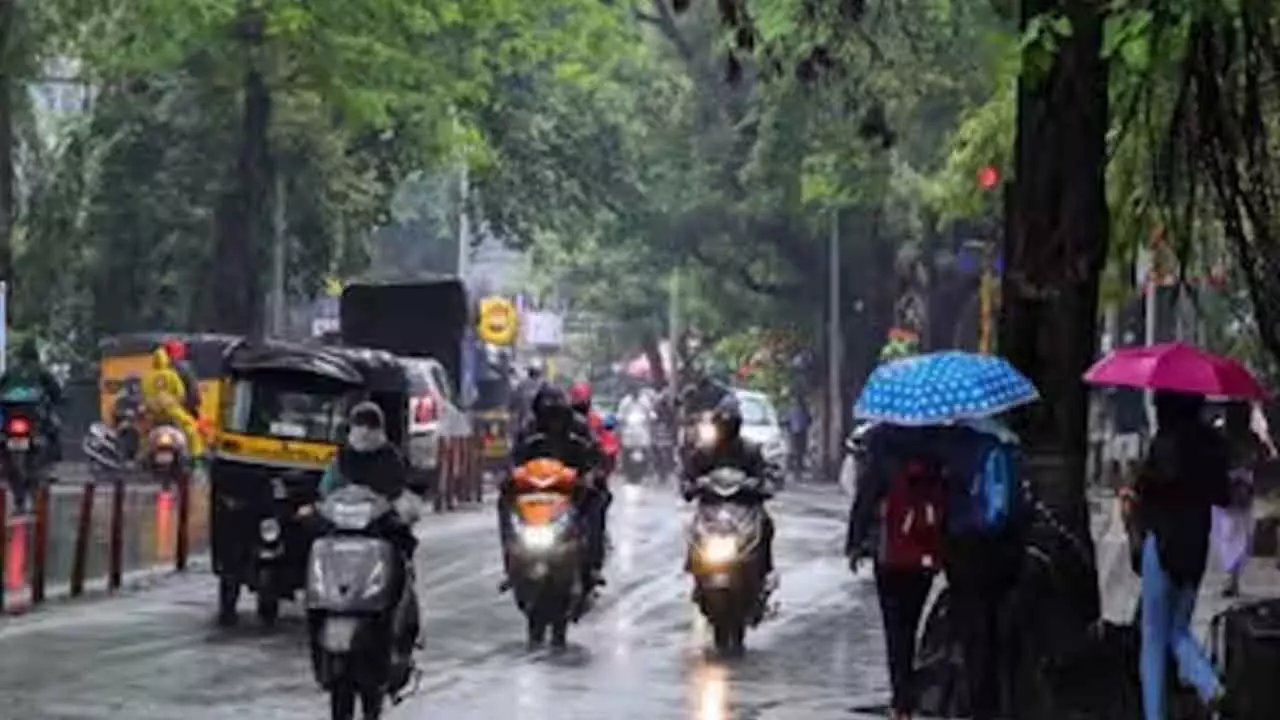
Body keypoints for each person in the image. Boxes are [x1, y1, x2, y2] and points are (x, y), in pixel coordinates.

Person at [1130, 391, 1231, 720]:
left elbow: (1148, 489)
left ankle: (1156, 713)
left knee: (1154, 638)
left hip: (1162, 544)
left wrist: (1136, 488)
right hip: (1195, 547)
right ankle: (1209, 684)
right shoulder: (1213, 445)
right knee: (1179, 628)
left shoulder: (1165, 443)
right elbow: (1224, 495)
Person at [316, 402, 421, 689]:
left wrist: (401, 512)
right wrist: (317, 509)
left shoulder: (391, 459)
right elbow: (326, 490)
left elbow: (403, 492)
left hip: (381, 536)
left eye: (370, 425)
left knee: (404, 568)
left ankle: (403, 633)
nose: (364, 431)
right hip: (342, 539)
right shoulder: (342, 460)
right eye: (359, 424)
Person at [847, 424, 945, 720]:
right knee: (913, 620)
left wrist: (855, 542)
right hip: (924, 549)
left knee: (895, 626)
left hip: (888, 552)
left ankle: (900, 699)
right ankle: (909, 691)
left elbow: (865, 497)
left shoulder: (882, 442)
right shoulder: (938, 444)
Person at [936, 417, 1025, 720]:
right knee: (988, 624)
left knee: (969, 623)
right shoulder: (1001, 445)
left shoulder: (949, 446)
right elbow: (999, 509)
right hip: (992, 548)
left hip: (959, 545)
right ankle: (988, 698)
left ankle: (968, 694)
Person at [502, 385, 605, 591]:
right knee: (504, 503)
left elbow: (595, 455)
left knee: (598, 501)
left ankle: (592, 562)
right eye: (547, 414)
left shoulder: (579, 427)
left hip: (570, 490)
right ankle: (510, 561)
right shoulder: (528, 429)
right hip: (537, 494)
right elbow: (514, 459)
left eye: (556, 414)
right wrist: (510, 477)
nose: (552, 421)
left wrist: (591, 476)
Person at [682, 395, 779, 589]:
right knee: (692, 530)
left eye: (731, 425)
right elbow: (688, 477)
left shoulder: (751, 450)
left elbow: (764, 476)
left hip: (745, 507)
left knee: (767, 524)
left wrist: (760, 486)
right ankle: (694, 571)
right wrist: (692, 487)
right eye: (723, 424)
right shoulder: (703, 452)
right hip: (711, 508)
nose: (726, 430)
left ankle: (765, 570)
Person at [1213, 402, 1269, 597]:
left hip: (1224, 491)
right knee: (1240, 534)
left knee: (1226, 534)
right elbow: (1264, 456)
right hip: (1243, 490)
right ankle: (1233, 576)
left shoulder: (1221, 437)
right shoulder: (1250, 438)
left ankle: (1231, 576)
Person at [568, 380, 615, 582]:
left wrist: (597, 471)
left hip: (586, 479)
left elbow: (604, 447)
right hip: (559, 483)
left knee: (598, 503)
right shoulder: (538, 428)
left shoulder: (592, 422)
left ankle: (594, 558)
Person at [0, 338, 64, 461]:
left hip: (10, 411)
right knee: (54, 427)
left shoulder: (11, 370)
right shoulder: (41, 370)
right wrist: (57, 399)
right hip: (33, 411)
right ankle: (54, 459)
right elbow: (54, 389)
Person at [140, 346, 205, 458]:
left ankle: (141, 457)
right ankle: (196, 457)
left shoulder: (146, 377)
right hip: (172, 412)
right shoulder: (172, 375)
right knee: (190, 427)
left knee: (143, 434)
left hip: (153, 414)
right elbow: (181, 394)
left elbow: (143, 395)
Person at [161, 339, 201, 417]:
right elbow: (193, 387)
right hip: (182, 406)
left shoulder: (168, 367)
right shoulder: (184, 367)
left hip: (176, 406)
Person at [785, 395, 810, 472]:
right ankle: (797, 465)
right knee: (799, 450)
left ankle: (793, 465)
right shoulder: (803, 410)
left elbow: (787, 421)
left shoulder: (791, 410)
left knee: (794, 449)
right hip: (801, 432)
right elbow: (809, 420)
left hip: (795, 432)